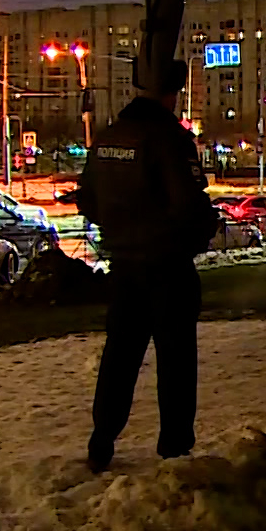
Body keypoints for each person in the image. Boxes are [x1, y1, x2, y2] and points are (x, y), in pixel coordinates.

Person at [75, 58, 221, 474]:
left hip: (123, 267)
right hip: (167, 268)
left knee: (119, 356)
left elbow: (87, 199)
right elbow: (188, 206)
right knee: (175, 360)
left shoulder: (108, 137)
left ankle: (102, 440)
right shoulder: (170, 140)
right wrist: (200, 232)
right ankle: (174, 449)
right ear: (172, 92)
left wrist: (121, 229)